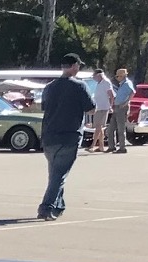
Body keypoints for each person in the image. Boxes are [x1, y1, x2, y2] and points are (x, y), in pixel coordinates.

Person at [38, 54, 93, 221]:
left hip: (49, 135)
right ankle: (46, 207)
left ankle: (59, 205)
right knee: (59, 175)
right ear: (74, 65)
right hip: (69, 135)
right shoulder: (79, 86)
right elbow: (90, 108)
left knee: (55, 173)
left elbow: (44, 107)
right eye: (78, 66)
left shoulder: (49, 87)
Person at [89, 68, 114, 153]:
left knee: (98, 127)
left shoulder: (106, 82)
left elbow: (111, 95)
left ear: (99, 75)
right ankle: (101, 146)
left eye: (94, 76)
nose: (93, 78)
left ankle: (92, 145)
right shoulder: (99, 83)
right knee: (99, 127)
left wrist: (110, 106)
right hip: (98, 107)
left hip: (103, 108)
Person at [111, 67, 135, 153]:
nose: (117, 78)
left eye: (118, 76)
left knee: (121, 128)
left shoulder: (128, 83)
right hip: (117, 107)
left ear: (122, 76)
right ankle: (111, 146)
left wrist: (126, 102)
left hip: (122, 107)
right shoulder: (122, 84)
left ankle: (122, 147)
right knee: (111, 128)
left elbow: (133, 92)